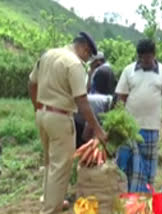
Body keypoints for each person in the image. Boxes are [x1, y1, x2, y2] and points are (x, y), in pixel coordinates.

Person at [28, 32, 107, 214]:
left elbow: (31, 84)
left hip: (43, 114)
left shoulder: (48, 55)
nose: (87, 58)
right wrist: (98, 129)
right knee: (60, 168)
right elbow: (81, 100)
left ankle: (49, 202)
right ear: (85, 49)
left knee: (50, 164)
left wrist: (37, 108)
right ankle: (50, 210)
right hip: (61, 118)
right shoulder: (74, 63)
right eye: (88, 55)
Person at [115, 39, 162, 192]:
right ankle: (125, 195)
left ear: (154, 55)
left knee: (147, 166)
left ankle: (144, 197)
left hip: (151, 127)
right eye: (141, 58)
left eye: (148, 57)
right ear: (138, 56)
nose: (144, 61)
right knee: (126, 163)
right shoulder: (128, 71)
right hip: (129, 128)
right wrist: (118, 122)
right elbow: (121, 97)